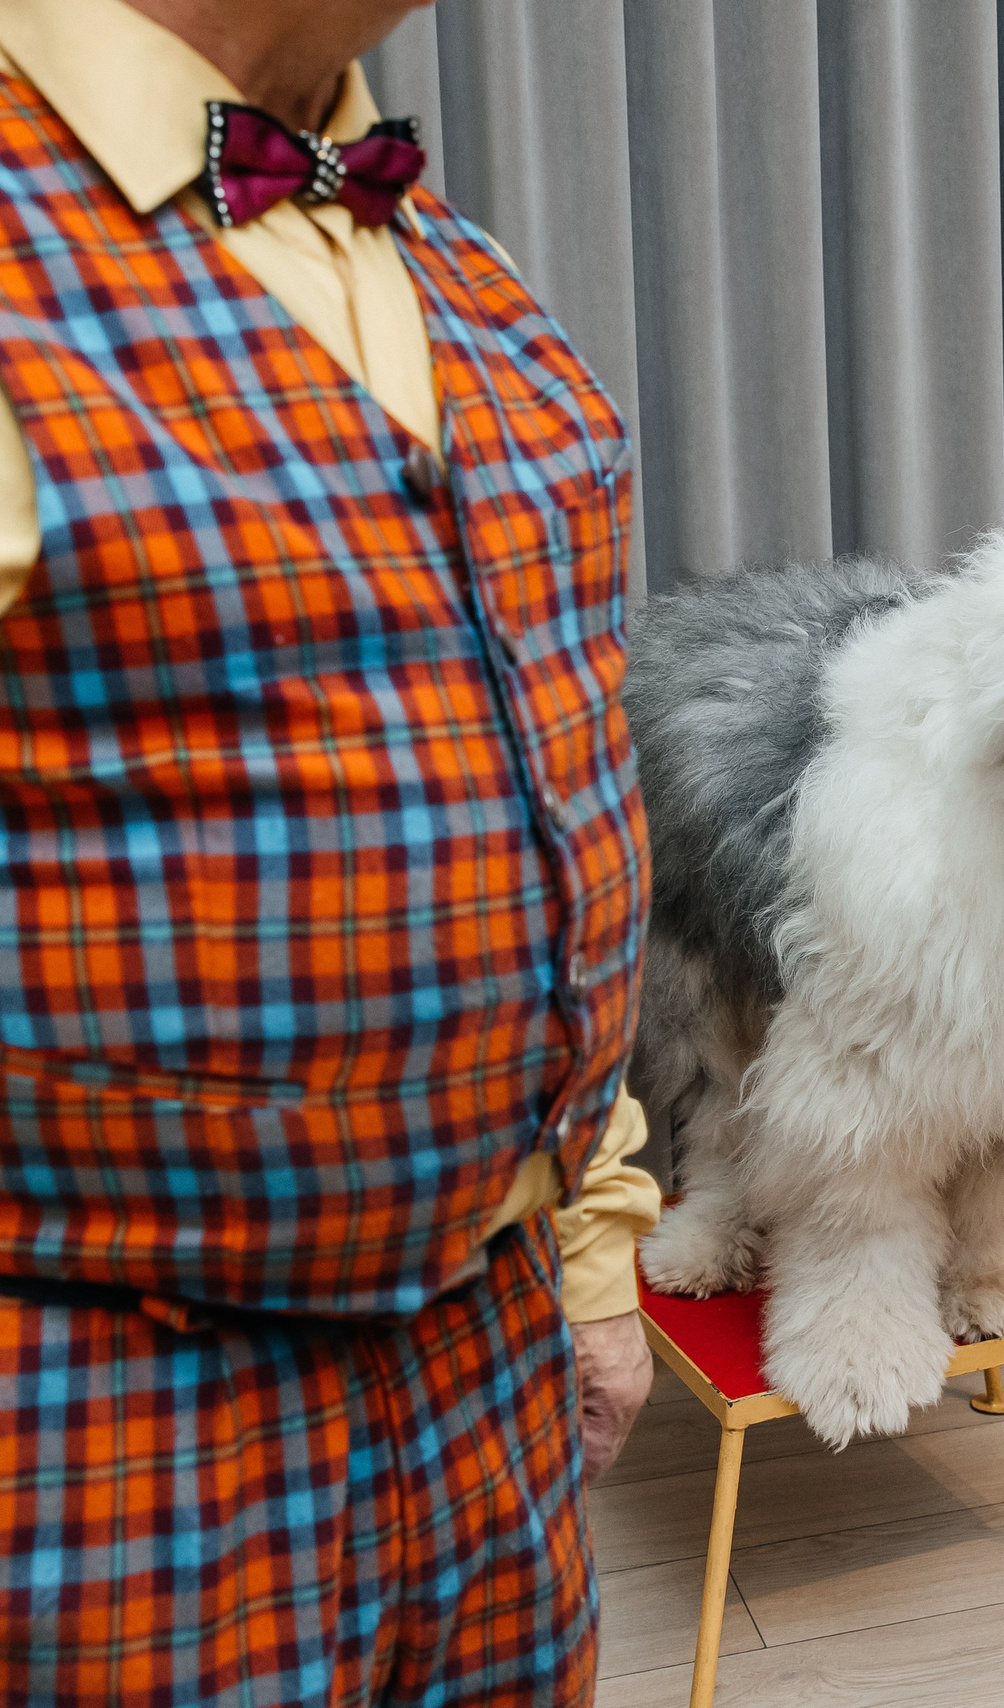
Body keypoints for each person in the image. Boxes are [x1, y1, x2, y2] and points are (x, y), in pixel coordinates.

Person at [0, 0, 660, 1700]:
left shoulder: (442, 252)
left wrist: (592, 1243)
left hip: (485, 1362)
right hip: (102, 1400)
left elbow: (553, 791)